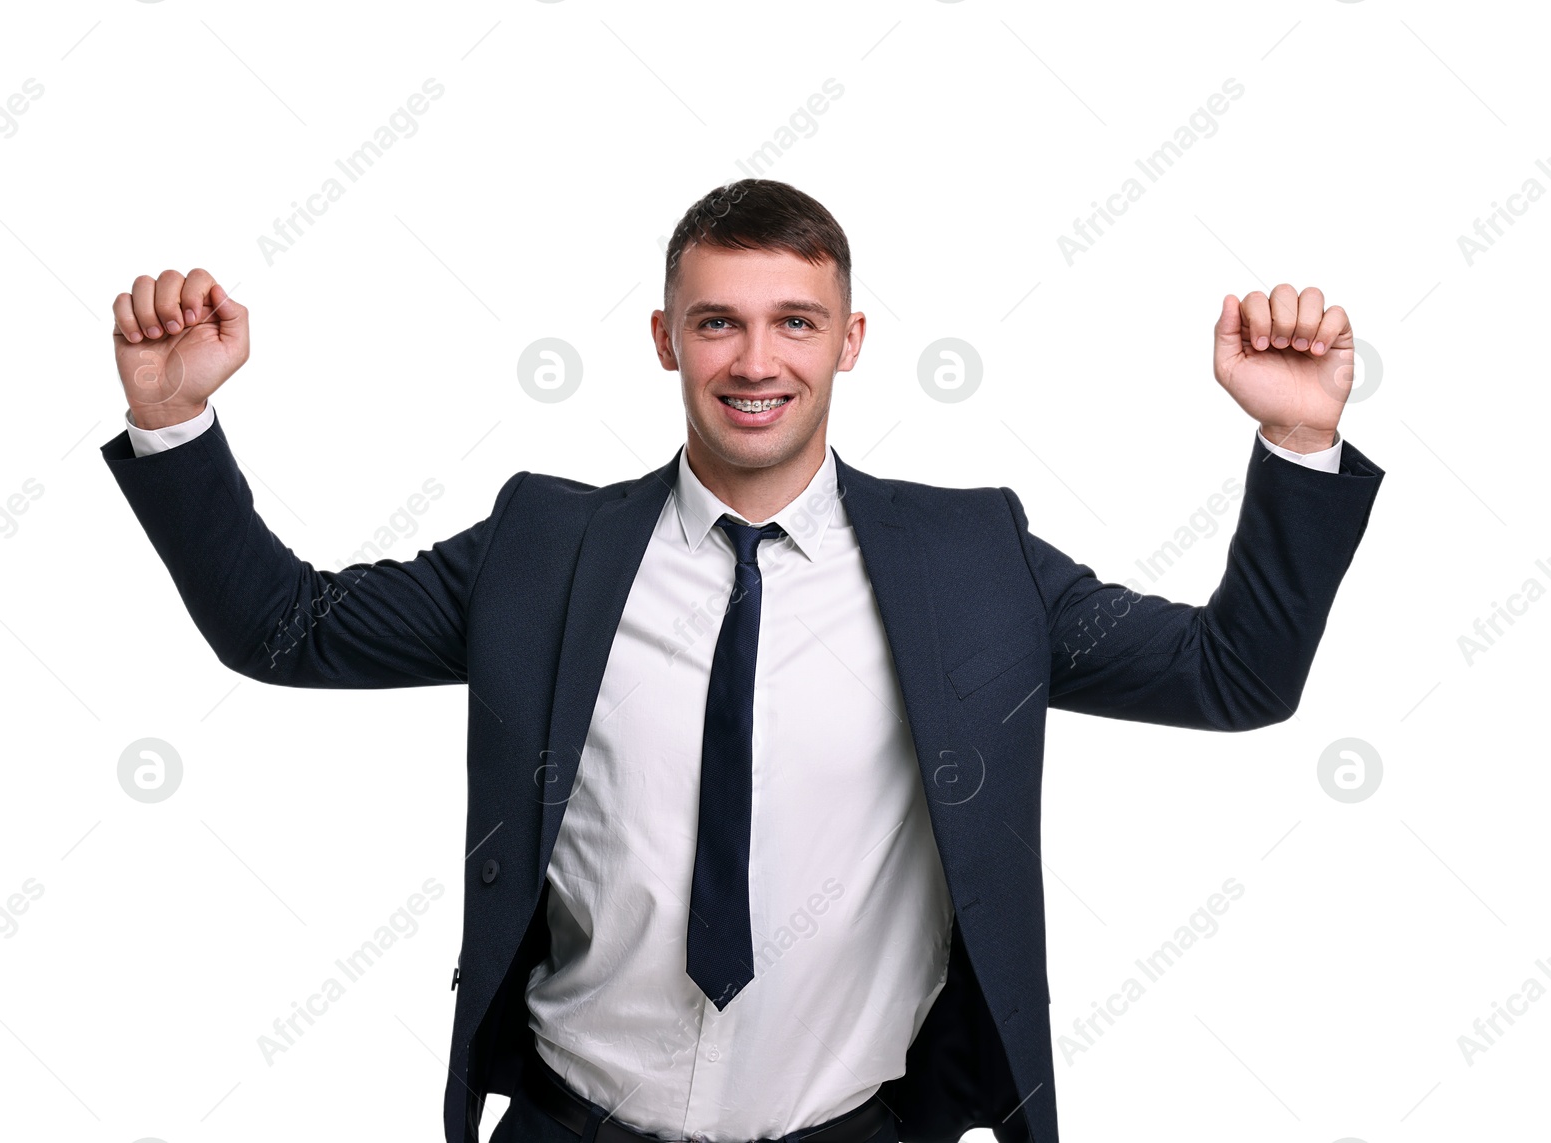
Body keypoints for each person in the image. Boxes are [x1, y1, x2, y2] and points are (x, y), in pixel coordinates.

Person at [99, 179, 1384, 1143]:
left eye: (794, 323)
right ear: (666, 340)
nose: (755, 362)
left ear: (850, 339)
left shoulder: (970, 560)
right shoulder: (544, 548)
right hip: (574, 1122)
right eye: (716, 323)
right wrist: (174, 421)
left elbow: (1235, 678)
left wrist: (1296, 449)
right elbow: (287, 631)